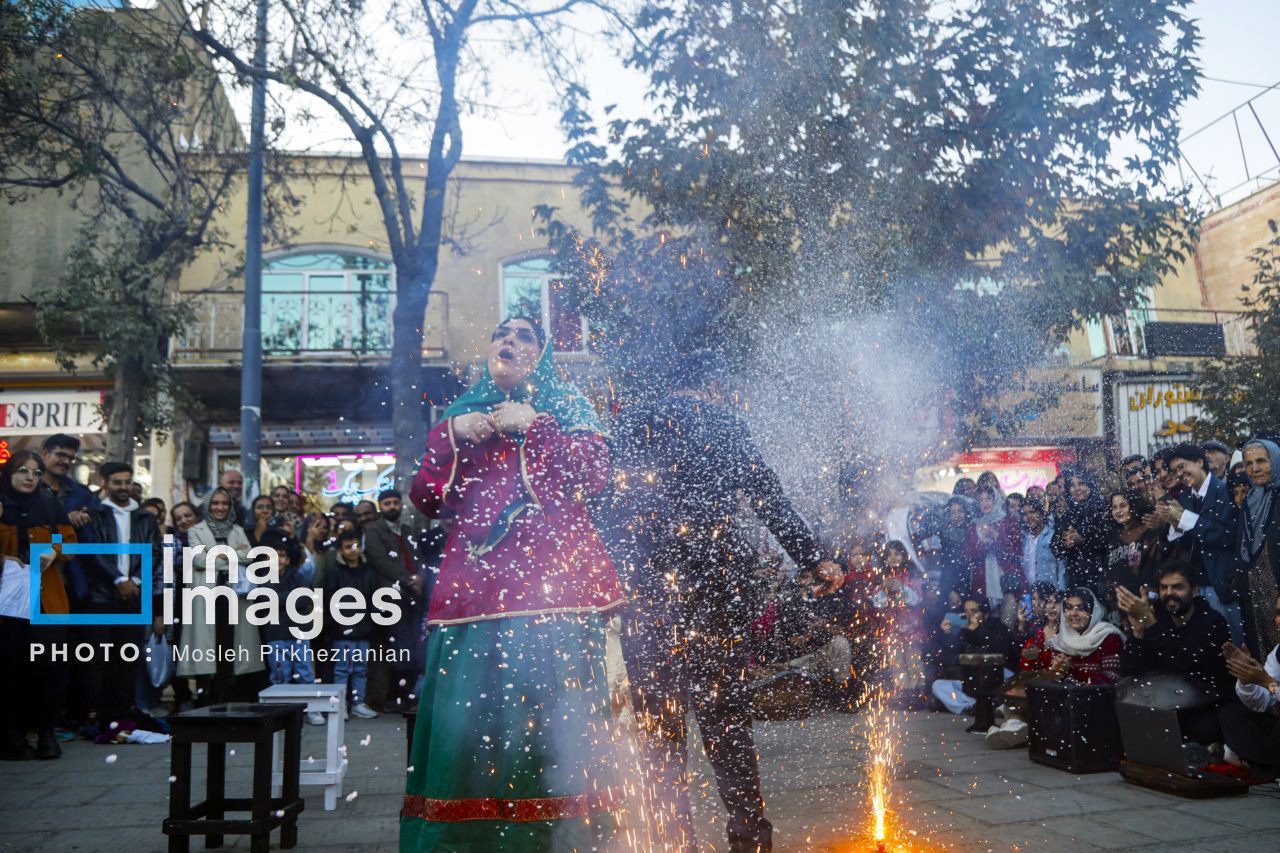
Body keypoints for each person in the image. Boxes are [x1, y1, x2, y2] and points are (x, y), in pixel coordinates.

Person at [402, 316, 625, 852]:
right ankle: (461, 842)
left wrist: (535, 425)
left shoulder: (566, 405)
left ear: (542, 353)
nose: (508, 342)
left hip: (556, 593)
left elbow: (592, 476)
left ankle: (562, 840)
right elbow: (424, 498)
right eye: (500, 334)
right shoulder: (462, 412)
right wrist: (451, 434)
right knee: (470, 722)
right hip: (473, 598)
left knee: (554, 717)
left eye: (524, 335)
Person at [601, 348, 837, 853]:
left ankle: (671, 840)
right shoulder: (726, 425)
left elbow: (607, 506)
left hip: (650, 600)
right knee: (727, 726)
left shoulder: (633, 423)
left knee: (660, 732)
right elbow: (771, 500)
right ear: (712, 387)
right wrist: (814, 558)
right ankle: (750, 838)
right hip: (716, 601)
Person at [0, 451, 76, 760]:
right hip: (6, 606)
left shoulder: (50, 506)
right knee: (8, 670)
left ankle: (46, 734)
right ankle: (11, 736)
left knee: (48, 668)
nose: (29, 477)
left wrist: (53, 552)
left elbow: (71, 543)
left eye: (35, 472)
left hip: (47, 601)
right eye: (22, 471)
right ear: (9, 474)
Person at [987, 587, 1121, 749]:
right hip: (1064, 701)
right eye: (1069, 608)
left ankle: (1022, 728)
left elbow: (1111, 682)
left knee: (1040, 711)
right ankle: (1021, 726)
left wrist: (1069, 672)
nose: (1073, 614)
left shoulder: (1108, 637)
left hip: (1092, 705)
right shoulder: (1061, 640)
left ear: (1092, 611)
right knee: (1022, 698)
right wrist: (1055, 673)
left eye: (1080, 609)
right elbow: (1054, 680)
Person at [1116, 561, 1234, 745]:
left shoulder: (1212, 622)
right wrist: (1138, 634)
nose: (1169, 593)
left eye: (1177, 587)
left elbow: (1181, 659)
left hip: (1205, 704)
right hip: (1163, 705)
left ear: (1194, 590)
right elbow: (1129, 669)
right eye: (1164, 587)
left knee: (1206, 729)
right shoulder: (1158, 619)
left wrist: (1149, 622)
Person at [83, 462, 163, 726]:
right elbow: (92, 553)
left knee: (129, 657)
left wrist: (135, 581)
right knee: (99, 658)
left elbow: (154, 552)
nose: (123, 487)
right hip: (101, 597)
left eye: (127, 482)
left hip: (134, 596)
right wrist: (118, 579)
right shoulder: (94, 514)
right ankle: (97, 714)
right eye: (117, 482)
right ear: (104, 482)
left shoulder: (145, 517)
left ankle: (126, 710)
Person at [176, 486, 264, 706]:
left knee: (228, 645)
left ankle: (223, 692)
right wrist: (232, 554)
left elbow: (249, 555)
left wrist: (217, 554)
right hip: (206, 595)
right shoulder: (196, 530)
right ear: (208, 506)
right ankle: (205, 695)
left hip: (232, 596)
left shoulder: (236, 530)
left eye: (224, 503)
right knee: (206, 647)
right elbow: (198, 560)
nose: (220, 507)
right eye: (215, 503)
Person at [1159, 443, 1242, 645]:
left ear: (1199, 462)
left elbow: (1227, 536)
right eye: (1175, 470)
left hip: (1220, 585)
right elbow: (1185, 541)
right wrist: (1172, 523)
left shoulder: (1224, 491)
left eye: (1182, 466)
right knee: (1202, 646)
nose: (1180, 474)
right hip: (1194, 586)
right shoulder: (1185, 497)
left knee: (1232, 644)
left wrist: (1186, 519)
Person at [361, 487, 426, 712]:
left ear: (401, 505)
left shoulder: (409, 530)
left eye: (395, 503)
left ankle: (409, 695)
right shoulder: (374, 531)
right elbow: (381, 561)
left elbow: (420, 559)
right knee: (398, 647)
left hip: (413, 596)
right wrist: (410, 578)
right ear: (380, 506)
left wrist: (420, 579)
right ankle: (401, 697)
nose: (392, 507)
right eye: (387, 503)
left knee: (414, 644)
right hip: (391, 597)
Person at [1218, 595, 1280, 780]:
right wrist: (1246, 677)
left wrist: (1267, 682)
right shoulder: (1278, 652)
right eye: (1278, 613)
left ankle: (1262, 765)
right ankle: (1267, 764)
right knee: (1231, 713)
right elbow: (1259, 703)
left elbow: (1269, 684)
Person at [322, 528, 380, 720]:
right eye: (348, 547)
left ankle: (358, 703)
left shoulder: (369, 571)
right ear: (340, 550)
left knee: (361, 667)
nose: (353, 550)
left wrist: (370, 619)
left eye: (356, 546)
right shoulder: (334, 572)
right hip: (342, 629)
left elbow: (375, 598)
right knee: (342, 668)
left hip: (364, 628)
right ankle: (341, 705)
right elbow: (329, 599)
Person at [38, 434, 97, 608]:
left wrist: (82, 522)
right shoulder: (29, 488)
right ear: (45, 454)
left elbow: (88, 543)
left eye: (71, 458)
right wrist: (64, 520)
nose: (66, 461)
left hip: (68, 578)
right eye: (61, 455)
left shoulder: (81, 495)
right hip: (31, 572)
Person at [929, 597, 1013, 714]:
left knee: (1005, 678)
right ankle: (972, 706)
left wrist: (977, 632)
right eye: (965, 612)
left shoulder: (999, 629)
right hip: (973, 682)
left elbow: (998, 654)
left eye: (974, 612)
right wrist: (946, 635)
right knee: (938, 685)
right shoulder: (963, 632)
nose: (969, 616)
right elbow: (952, 661)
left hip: (999, 677)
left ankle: (991, 704)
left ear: (985, 614)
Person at [1237, 439, 1280, 656]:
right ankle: (1270, 688)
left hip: (1276, 584)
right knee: (1262, 644)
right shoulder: (1250, 499)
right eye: (1250, 463)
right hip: (1255, 586)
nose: (1255, 468)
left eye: (1262, 461)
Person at [964, 484, 1024, 625]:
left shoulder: (1009, 521)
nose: (985, 503)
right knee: (985, 629)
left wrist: (996, 537)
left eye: (989, 499)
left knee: (1007, 628)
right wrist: (984, 544)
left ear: (996, 500)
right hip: (982, 584)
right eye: (981, 500)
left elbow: (1016, 550)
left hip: (1008, 582)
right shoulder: (973, 526)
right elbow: (967, 555)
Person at [1050, 468, 1109, 594]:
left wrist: (1082, 540)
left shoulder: (1102, 509)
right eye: (1072, 485)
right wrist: (1066, 542)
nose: (1077, 489)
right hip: (1076, 577)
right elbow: (1056, 548)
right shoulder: (1068, 515)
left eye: (1081, 483)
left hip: (1101, 576)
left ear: (1090, 486)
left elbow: (1109, 542)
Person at [1104, 490, 1161, 598]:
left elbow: (1150, 571)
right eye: (1114, 507)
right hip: (1117, 604)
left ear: (1134, 506)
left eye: (1123, 506)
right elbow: (1109, 573)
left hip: (1141, 601)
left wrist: (1148, 598)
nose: (1118, 511)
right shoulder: (1114, 539)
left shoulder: (1146, 532)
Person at [1020, 497, 1065, 591]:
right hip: (1031, 595)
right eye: (1025, 514)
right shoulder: (1024, 540)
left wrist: (1061, 593)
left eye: (1032, 512)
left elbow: (1062, 568)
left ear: (1041, 514)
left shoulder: (1053, 536)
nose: (1029, 516)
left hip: (1051, 595)